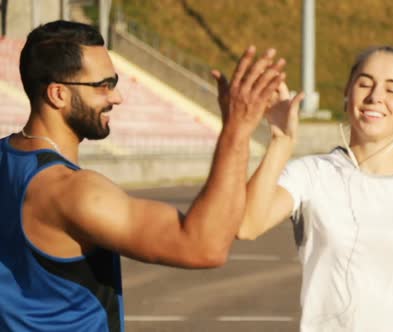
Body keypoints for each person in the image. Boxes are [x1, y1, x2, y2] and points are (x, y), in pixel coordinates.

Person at [0, 20, 286, 331]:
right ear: (58, 94)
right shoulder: (74, 192)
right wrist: (237, 129)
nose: (117, 97)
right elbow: (204, 246)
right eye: (103, 85)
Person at [237, 46, 393, 332]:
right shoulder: (310, 174)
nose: (375, 96)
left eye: (392, 89)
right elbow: (247, 226)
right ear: (347, 94)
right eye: (365, 83)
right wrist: (280, 140)